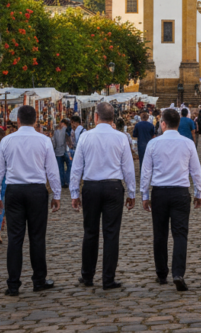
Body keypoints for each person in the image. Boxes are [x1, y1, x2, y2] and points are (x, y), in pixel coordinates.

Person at [0, 106, 61, 295]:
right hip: (36, 191)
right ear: (36, 121)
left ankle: (13, 284)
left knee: (15, 239)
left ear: (18, 121)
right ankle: (38, 280)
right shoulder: (44, 141)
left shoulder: (6, 141)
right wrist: (56, 194)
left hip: (15, 191)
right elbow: (52, 170)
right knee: (37, 238)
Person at [69, 102, 136, 290]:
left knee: (90, 232)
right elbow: (128, 168)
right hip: (113, 187)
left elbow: (77, 168)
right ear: (112, 118)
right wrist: (131, 192)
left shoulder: (85, 137)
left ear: (96, 117)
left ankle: (88, 275)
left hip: (91, 187)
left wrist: (74, 192)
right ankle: (108, 278)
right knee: (111, 234)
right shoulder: (121, 138)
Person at [141, 108, 201, 291]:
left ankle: (161, 274)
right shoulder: (188, 143)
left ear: (162, 124)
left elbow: (146, 172)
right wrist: (199, 192)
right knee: (180, 234)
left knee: (159, 235)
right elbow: (196, 171)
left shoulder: (153, 144)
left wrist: (145, 195)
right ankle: (178, 273)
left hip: (159, 193)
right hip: (180, 192)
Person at [53, 119, 71, 189]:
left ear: (62, 123)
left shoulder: (56, 132)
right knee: (69, 166)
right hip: (66, 152)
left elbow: (54, 143)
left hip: (58, 152)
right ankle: (67, 181)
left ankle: (62, 183)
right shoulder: (67, 130)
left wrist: (54, 149)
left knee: (60, 169)